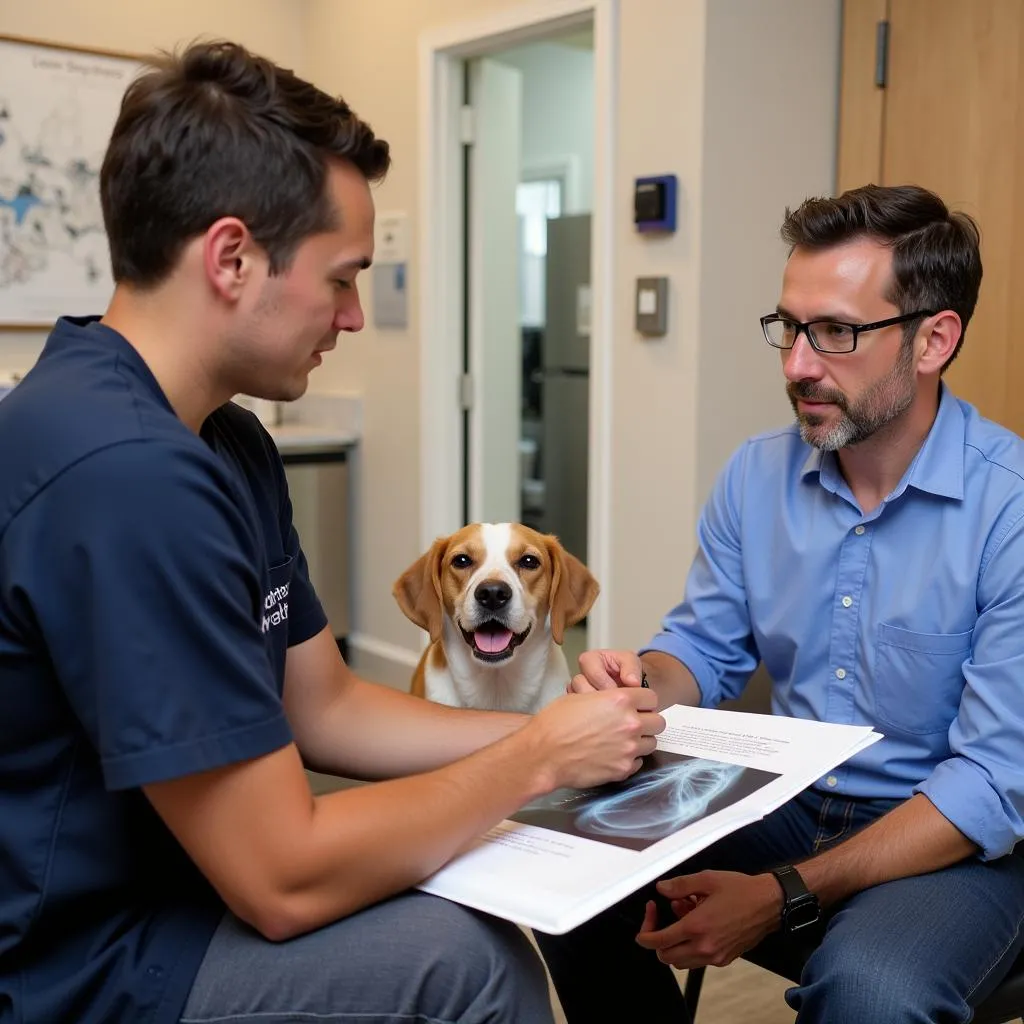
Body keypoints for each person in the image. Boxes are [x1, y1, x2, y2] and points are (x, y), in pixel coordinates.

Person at [0, 41, 666, 1024]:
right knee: (466, 961)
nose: (356, 316)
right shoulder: (124, 474)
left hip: (172, 884)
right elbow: (283, 878)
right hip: (83, 961)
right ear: (231, 257)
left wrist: (554, 728)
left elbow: (325, 705)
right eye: (343, 277)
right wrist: (535, 764)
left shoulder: (221, 437)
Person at [535, 183, 1024, 1024]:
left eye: (836, 332)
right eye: (789, 328)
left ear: (934, 339)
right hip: (788, 798)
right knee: (562, 859)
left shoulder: (1009, 507)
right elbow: (704, 649)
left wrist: (783, 892)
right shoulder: (756, 476)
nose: (798, 363)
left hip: (953, 841)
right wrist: (641, 679)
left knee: (872, 992)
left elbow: (990, 782)